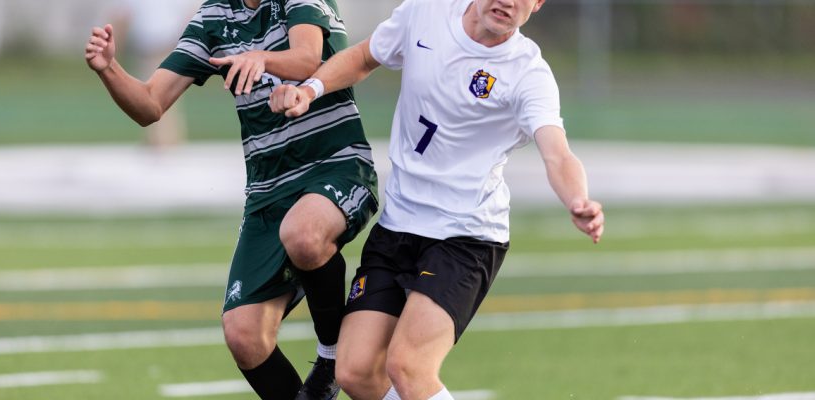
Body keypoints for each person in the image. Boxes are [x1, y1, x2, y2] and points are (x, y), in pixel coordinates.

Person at [268, 0, 605, 398]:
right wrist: (311, 89)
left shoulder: (528, 73)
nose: (508, 2)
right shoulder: (424, 12)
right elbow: (363, 56)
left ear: (538, 4)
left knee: (408, 367)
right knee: (355, 371)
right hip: (399, 226)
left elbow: (557, 152)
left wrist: (577, 199)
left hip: (466, 237)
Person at [85, 0, 378, 399]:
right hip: (267, 190)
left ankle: (331, 357)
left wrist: (260, 58)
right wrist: (109, 69)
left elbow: (307, 57)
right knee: (244, 335)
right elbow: (151, 104)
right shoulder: (212, 18)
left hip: (334, 165)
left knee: (305, 234)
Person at [107, 0, 200, 148]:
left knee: (161, 94)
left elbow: (188, 15)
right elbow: (123, 15)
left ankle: (164, 141)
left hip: (166, 45)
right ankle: (157, 139)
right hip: (145, 49)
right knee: (146, 93)